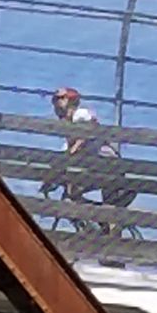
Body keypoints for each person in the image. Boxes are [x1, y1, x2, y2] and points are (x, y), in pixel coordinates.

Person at [45, 85, 135, 232]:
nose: (55, 103)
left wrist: (72, 151)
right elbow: (65, 153)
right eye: (54, 99)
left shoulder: (80, 114)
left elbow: (88, 131)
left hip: (108, 165)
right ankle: (98, 222)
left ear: (70, 101)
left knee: (73, 192)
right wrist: (50, 176)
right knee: (72, 192)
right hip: (99, 167)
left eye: (60, 99)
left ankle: (100, 224)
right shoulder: (68, 128)